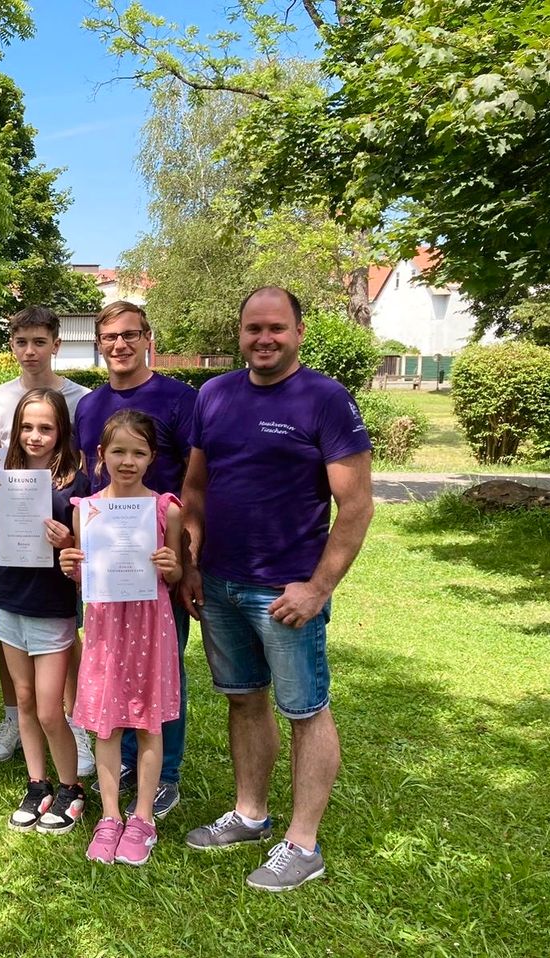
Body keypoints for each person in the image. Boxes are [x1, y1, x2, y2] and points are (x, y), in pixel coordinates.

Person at [180, 286, 374, 891]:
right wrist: (191, 563)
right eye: (253, 329)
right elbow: (196, 489)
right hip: (220, 581)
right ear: (239, 333)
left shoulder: (326, 399)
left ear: (299, 332)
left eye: (277, 328)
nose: (264, 339)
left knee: (306, 710)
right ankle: (251, 814)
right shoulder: (213, 395)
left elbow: (357, 505)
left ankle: (303, 842)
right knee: (244, 699)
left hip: (287, 592)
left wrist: (318, 587)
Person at [73, 300, 196, 818]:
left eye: (129, 334)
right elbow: (84, 479)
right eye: (109, 337)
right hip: (108, 571)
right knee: (112, 668)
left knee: (161, 670)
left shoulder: (180, 398)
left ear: (148, 336)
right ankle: (124, 763)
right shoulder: (88, 406)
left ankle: (164, 773)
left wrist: (187, 556)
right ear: (99, 344)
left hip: (156, 564)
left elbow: (196, 478)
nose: (119, 344)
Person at [60, 410, 182, 865]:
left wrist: (173, 567)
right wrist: (71, 567)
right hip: (107, 631)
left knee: (149, 722)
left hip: (151, 627)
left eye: (138, 452)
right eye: (118, 451)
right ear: (101, 454)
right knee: (106, 723)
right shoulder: (86, 511)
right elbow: (84, 581)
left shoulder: (165, 508)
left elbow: (179, 572)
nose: (127, 461)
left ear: (152, 457)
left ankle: (144, 815)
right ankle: (110, 815)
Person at [0, 306, 92, 776]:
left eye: (39, 342)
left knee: (63, 636)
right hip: (11, 544)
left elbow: (80, 468)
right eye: (21, 342)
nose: (30, 351)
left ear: (56, 345)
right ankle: (13, 718)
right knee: (10, 631)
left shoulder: (82, 399)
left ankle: (74, 722)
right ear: (12, 345)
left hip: (58, 549)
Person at [0, 388, 90, 834]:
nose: (35, 436)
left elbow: (86, 549)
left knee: (47, 708)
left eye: (45, 427)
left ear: (61, 430)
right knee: (22, 701)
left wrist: (69, 543)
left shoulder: (76, 483)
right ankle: (37, 784)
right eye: (26, 427)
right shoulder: (0, 475)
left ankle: (70, 787)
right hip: (8, 599)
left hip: (50, 607)